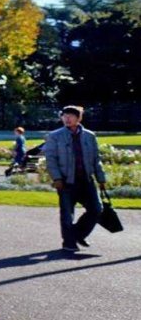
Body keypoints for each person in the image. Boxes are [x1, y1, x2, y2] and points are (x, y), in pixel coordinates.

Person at [44, 105, 108, 253]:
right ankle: (69, 242)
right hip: (66, 181)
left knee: (96, 209)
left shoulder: (89, 136)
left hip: (86, 180)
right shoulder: (54, 136)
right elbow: (51, 160)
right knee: (67, 214)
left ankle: (78, 235)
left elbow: (96, 159)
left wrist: (101, 178)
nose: (67, 118)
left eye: (70, 116)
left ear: (79, 118)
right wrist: (57, 178)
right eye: (64, 116)